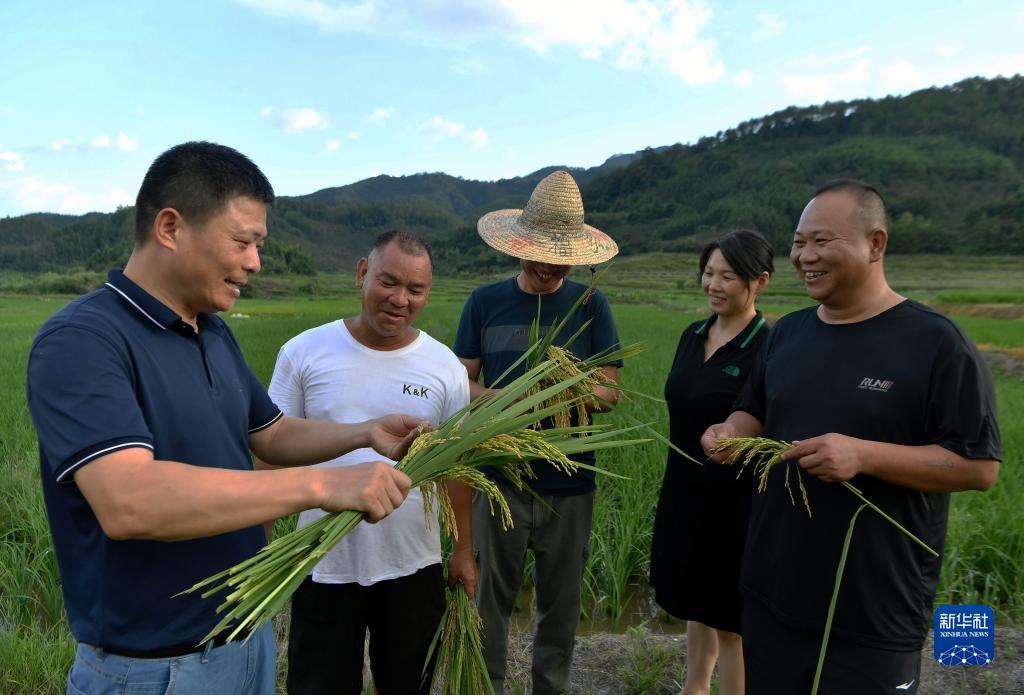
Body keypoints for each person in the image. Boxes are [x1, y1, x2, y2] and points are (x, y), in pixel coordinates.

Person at [25, 142, 421, 695]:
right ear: (170, 227)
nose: (255, 262)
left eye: (259, 244)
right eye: (243, 242)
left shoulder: (211, 332)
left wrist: (366, 434)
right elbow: (129, 500)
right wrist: (323, 485)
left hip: (245, 636)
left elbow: (273, 433)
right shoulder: (84, 340)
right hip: (154, 670)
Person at [701, 179, 1002, 694]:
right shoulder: (789, 333)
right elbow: (753, 408)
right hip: (773, 591)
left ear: (876, 244)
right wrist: (730, 432)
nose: (805, 256)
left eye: (822, 241)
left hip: (872, 607)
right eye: (799, 242)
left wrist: (862, 455)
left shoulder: (935, 342)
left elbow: (978, 468)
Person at [256, 230, 474, 695]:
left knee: (407, 685)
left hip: (413, 565)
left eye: (416, 290)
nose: (400, 300)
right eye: (388, 282)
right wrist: (260, 546)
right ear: (361, 273)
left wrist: (461, 552)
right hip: (323, 562)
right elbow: (271, 455)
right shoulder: (304, 352)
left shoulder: (444, 367)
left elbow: (457, 472)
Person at [453, 170, 621, 695]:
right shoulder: (485, 301)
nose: (547, 266)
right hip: (498, 478)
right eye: (538, 252)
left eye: (559, 256)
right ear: (518, 245)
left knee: (560, 609)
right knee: (490, 603)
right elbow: (461, 384)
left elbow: (610, 393)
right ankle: (489, 687)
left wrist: (565, 386)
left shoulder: (592, 306)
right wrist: (507, 402)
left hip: (570, 486)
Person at [650, 230, 773, 695]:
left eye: (728, 276)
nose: (714, 284)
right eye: (709, 273)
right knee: (694, 600)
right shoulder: (692, 334)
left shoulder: (768, 345)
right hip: (683, 486)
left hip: (736, 500)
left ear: (758, 282)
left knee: (729, 616)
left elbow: (770, 418)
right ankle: (695, 686)